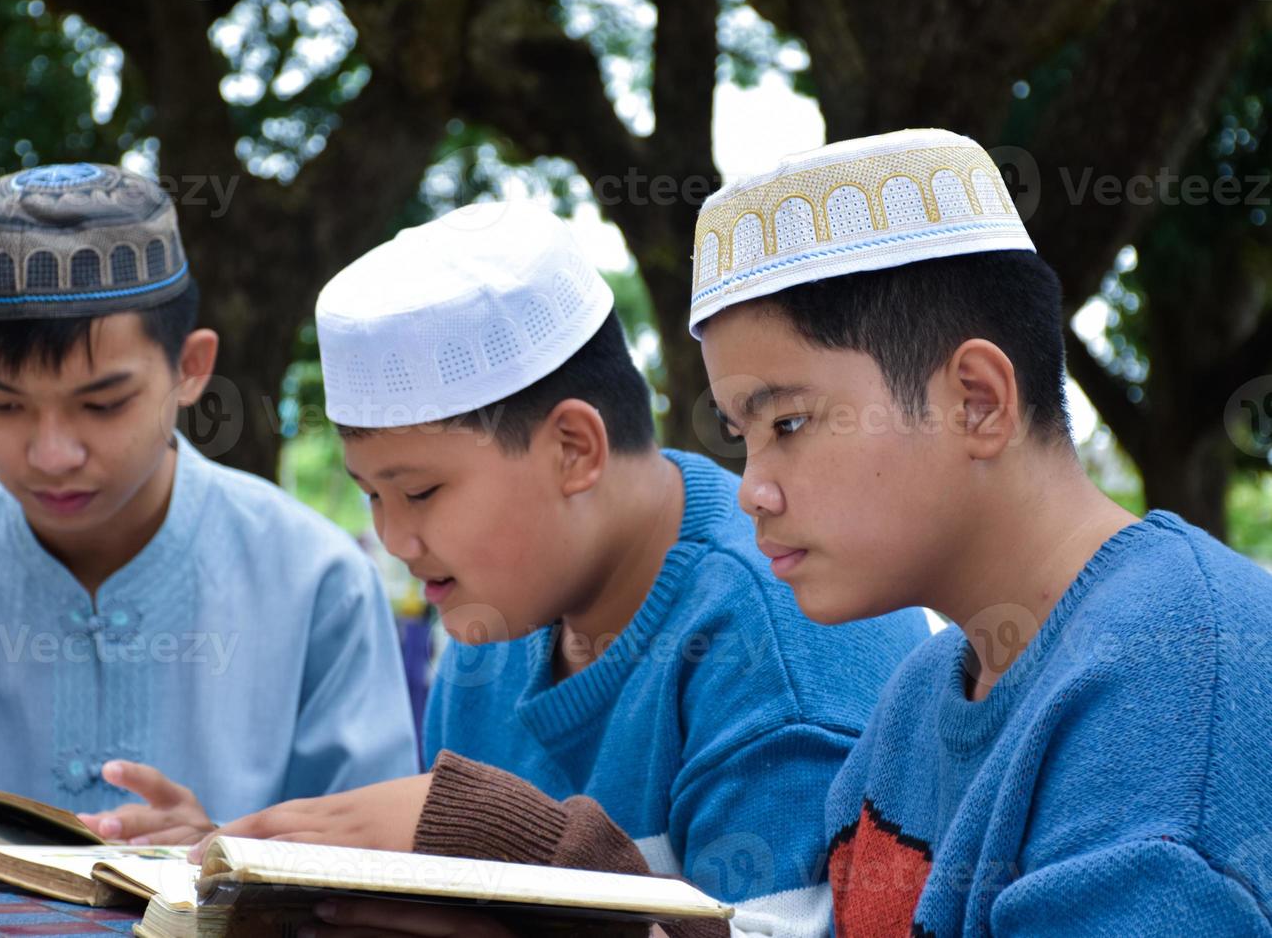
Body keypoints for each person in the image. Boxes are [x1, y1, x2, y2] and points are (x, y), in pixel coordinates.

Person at [155, 201, 927, 937]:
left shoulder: (781, 630)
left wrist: (509, 836)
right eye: (370, 497)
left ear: (573, 450)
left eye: (421, 491)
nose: (393, 537)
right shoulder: (489, 630)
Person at [0, 163, 418, 838]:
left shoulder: (317, 585)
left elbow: (377, 885)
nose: (52, 453)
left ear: (190, 367)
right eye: (4, 403)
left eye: (103, 403)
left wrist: (232, 870)